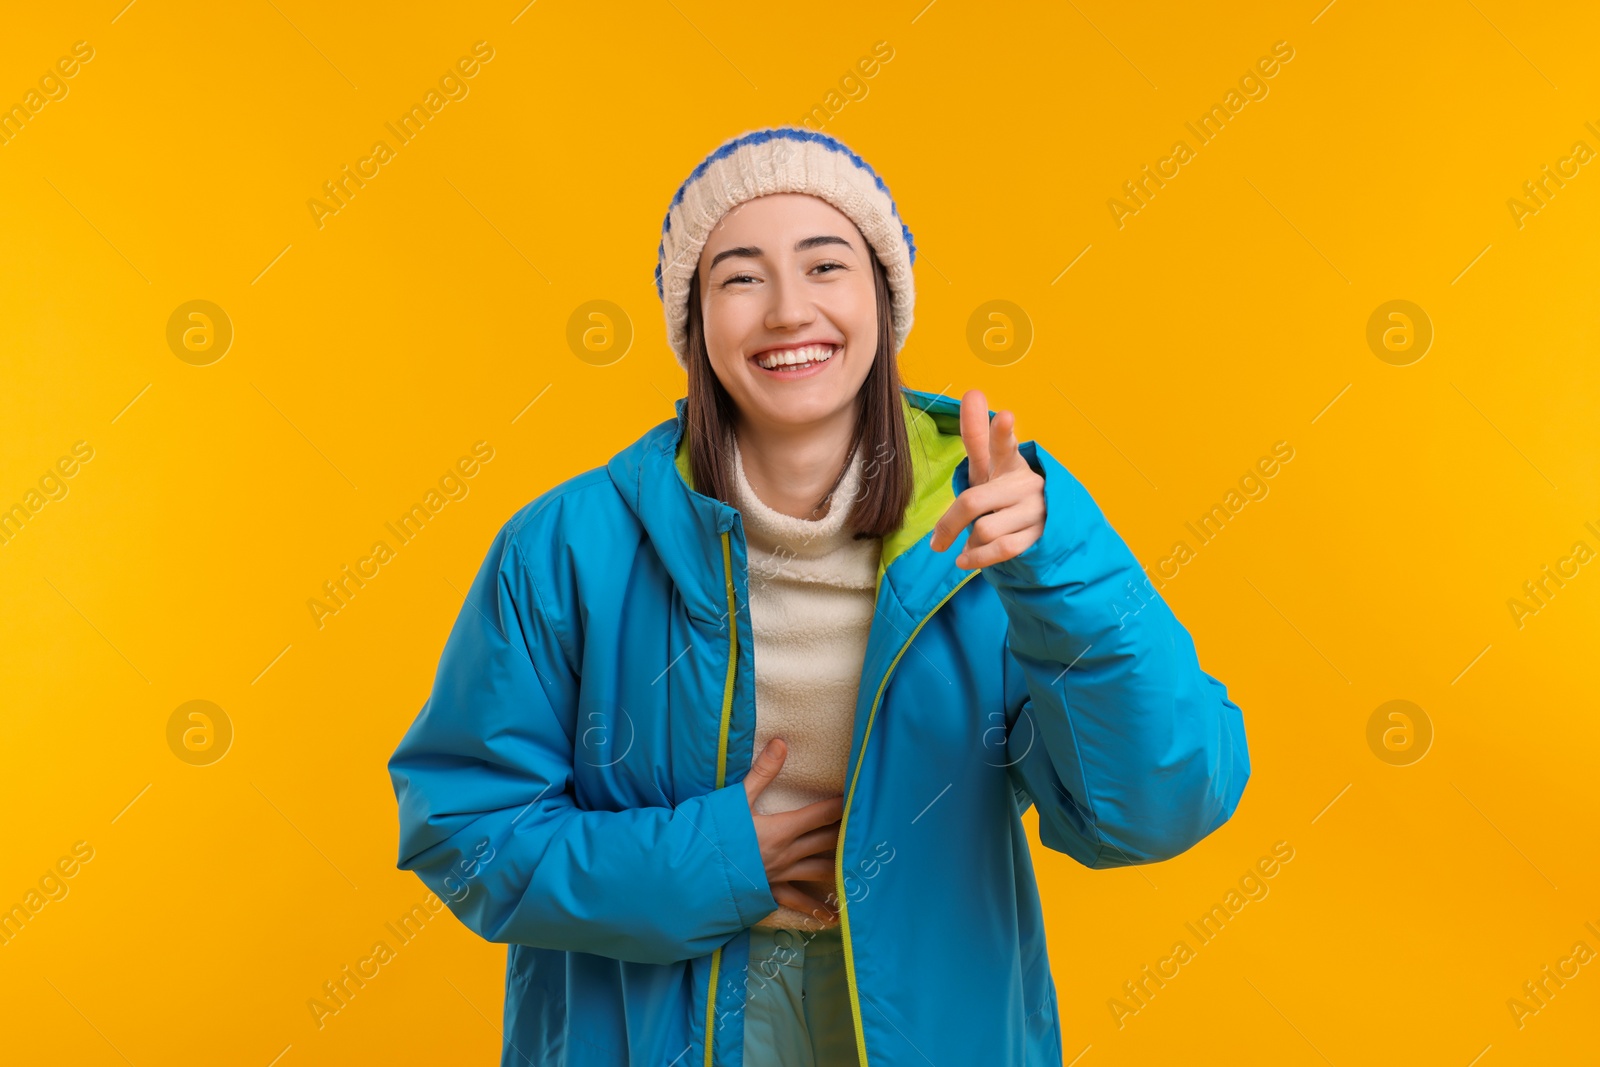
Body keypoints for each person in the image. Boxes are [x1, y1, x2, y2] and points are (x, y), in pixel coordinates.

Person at [387, 125, 1251, 1067]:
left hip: (926, 1026)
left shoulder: (995, 532)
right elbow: (465, 832)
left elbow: (1161, 805)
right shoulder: (565, 548)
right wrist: (714, 861)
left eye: (827, 265)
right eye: (741, 276)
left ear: (883, 300)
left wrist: (1064, 570)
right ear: (695, 321)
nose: (789, 311)